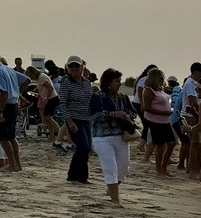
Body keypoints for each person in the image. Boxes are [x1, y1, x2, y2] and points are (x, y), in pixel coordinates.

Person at [89, 68, 137, 205]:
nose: (119, 84)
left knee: (124, 168)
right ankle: (116, 200)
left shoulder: (123, 97)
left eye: (120, 81)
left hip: (121, 136)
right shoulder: (97, 96)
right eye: (117, 81)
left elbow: (134, 113)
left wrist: (127, 116)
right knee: (110, 167)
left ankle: (111, 189)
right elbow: (92, 115)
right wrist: (113, 114)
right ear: (108, 83)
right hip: (101, 137)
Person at [56, 55, 94, 184]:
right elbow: (62, 103)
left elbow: (91, 100)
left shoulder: (87, 82)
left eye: (76, 65)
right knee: (83, 146)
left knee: (86, 148)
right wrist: (70, 121)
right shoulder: (66, 82)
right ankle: (80, 176)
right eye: (71, 66)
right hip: (74, 118)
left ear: (81, 67)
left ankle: (75, 175)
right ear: (67, 67)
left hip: (87, 119)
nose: (73, 68)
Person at [141, 69, 176, 177]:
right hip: (155, 121)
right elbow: (145, 108)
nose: (163, 80)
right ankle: (159, 169)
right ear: (155, 78)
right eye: (161, 78)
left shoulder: (160, 90)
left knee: (172, 142)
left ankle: (163, 166)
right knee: (160, 145)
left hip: (165, 121)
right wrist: (163, 112)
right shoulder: (148, 90)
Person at [183, 62, 201, 178]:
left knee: (197, 144)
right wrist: (200, 112)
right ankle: (193, 170)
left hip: (194, 115)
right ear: (196, 71)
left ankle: (190, 168)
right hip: (191, 115)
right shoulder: (190, 84)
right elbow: (193, 100)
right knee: (195, 143)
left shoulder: (194, 83)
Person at [29, 66, 61, 148]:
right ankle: (52, 136)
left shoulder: (41, 77)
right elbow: (44, 87)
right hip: (51, 98)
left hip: (52, 98)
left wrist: (46, 97)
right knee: (48, 118)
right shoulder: (41, 77)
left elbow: (50, 87)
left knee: (48, 118)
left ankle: (59, 134)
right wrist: (37, 90)